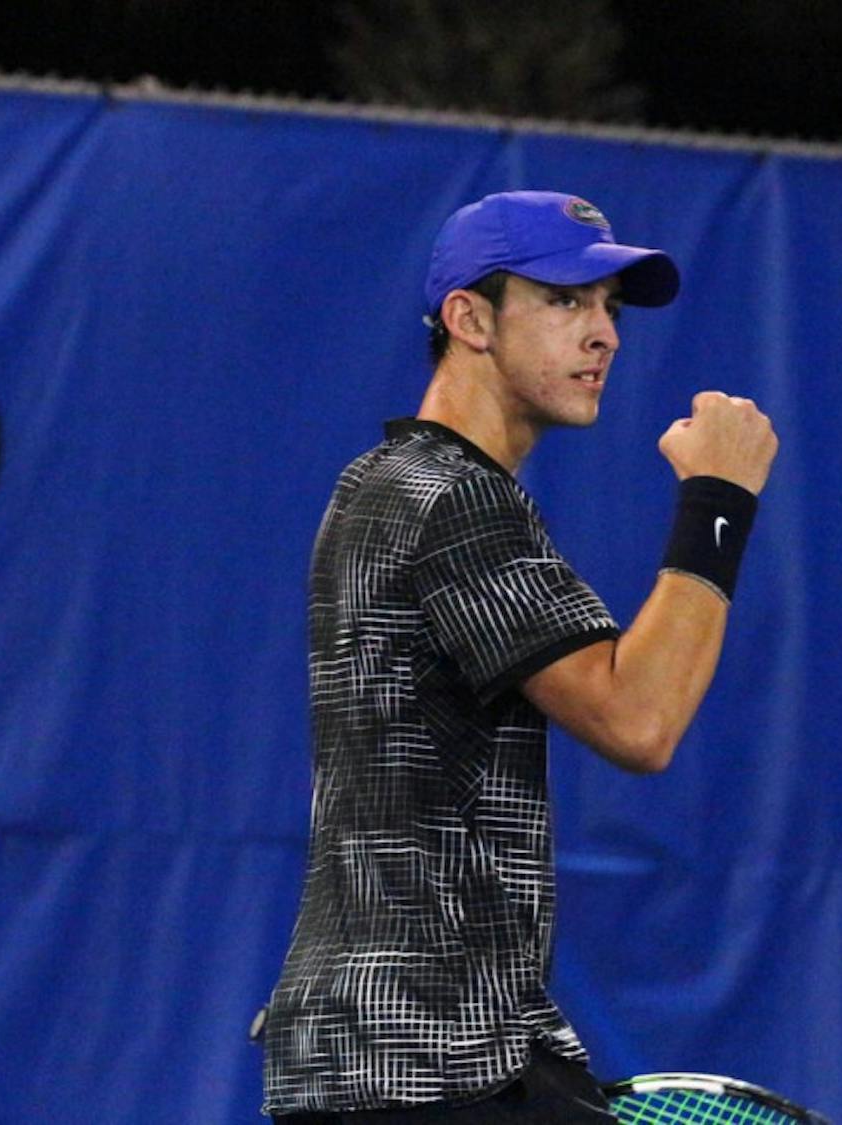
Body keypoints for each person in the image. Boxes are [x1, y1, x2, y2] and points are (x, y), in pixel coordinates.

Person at [259, 190, 778, 1122]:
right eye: (565, 300)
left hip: (382, 1057)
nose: (604, 334)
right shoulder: (450, 499)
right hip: (430, 1061)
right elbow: (639, 718)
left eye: (611, 308)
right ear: (469, 318)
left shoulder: (376, 486)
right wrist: (719, 497)